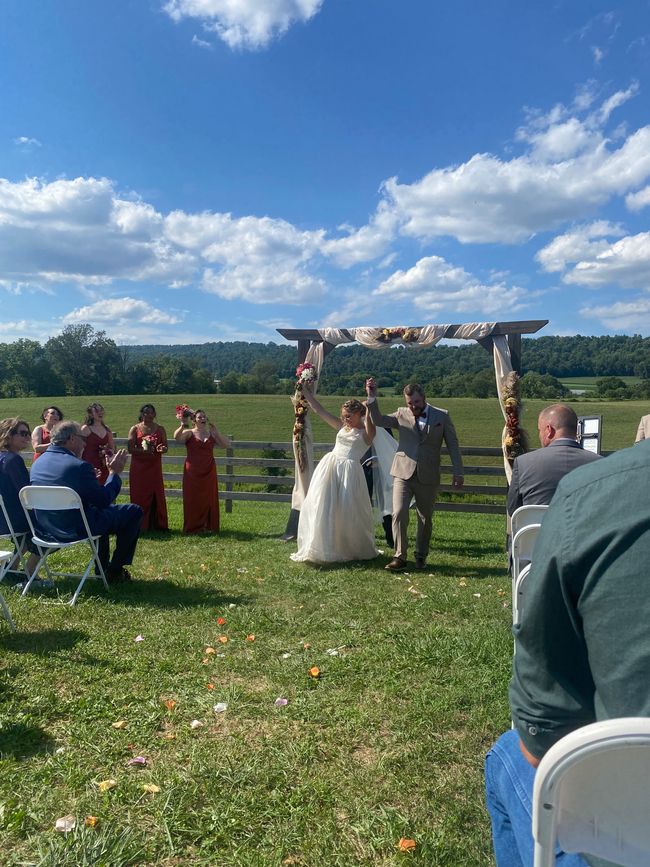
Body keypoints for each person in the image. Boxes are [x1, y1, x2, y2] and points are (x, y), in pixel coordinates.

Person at [485, 438, 650, 866]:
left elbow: (541, 734)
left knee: (507, 754)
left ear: (545, 431)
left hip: (627, 845)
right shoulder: (593, 465)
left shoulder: (591, 491)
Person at [365, 379, 463, 571]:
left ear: (424, 398)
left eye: (416, 402)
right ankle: (399, 556)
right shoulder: (401, 414)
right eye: (410, 403)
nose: (413, 406)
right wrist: (371, 397)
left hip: (428, 474)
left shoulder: (441, 416)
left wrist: (458, 471)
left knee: (425, 518)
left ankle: (421, 556)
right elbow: (379, 420)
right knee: (399, 512)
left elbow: (453, 445)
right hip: (403, 472)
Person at [29, 421, 143, 584]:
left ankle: (102, 569)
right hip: (76, 528)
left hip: (46, 527)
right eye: (83, 439)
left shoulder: (37, 464)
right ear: (72, 439)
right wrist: (114, 474)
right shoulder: (79, 466)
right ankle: (115, 570)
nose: (85, 443)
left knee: (99, 515)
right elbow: (103, 500)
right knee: (133, 511)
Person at [291, 390, 379, 564]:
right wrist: (305, 391)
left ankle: (346, 546)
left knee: (348, 509)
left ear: (359, 415)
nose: (345, 419)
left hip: (349, 471)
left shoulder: (366, 434)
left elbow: (370, 426)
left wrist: (369, 406)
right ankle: (322, 544)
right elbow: (319, 410)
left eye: (349, 416)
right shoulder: (342, 427)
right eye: (343, 416)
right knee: (323, 503)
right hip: (330, 467)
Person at [507, 404, 601, 516]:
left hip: (537, 533)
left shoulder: (523, 463)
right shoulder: (600, 464)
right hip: (582, 532)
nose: (540, 435)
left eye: (539, 430)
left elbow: (513, 510)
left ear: (549, 430)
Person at [173, 408, 230, 534]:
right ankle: (193, 527)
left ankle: (208, 527)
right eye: (200, 417)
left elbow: (226, 445)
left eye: (204, 417)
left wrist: (217, 432)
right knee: (193, 498)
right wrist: (182, 424)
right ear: (194, 420)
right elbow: (176, 437)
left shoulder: (211, 434)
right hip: (192, 471)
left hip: (209, 470)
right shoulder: (189, 433)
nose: (203, 419)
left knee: (209, 498)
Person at [0, 417, 40, 580]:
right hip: (13, 520)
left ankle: (12, 568)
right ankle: (28, 573)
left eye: (28, 433)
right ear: (8, 435)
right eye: (22, 433)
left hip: (3, 518)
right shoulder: (13, 460)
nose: (27, 437)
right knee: (50, 528)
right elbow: (25, 492)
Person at [127, 404, 169, 531]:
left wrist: (162, 448)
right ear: (142, 414)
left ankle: (157, 524)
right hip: (139, 466)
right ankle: (140, 524)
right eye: (146, 413)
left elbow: (165, 446)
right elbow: (130, 448)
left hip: (154, 466)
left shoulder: (160, 429)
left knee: (157, 493)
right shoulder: (134, 429)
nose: (148, 415)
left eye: (151, 412)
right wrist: (144, 451)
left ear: (154, 414)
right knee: (140, 493)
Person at [81, 402, 115, 485]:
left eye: (101, 410)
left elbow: (112, 447)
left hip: (103, 464)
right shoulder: (86, 428)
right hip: (89, 463)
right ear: (91, 415)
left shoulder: (107, 429)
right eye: (97, 411)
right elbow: (79, 447)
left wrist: (107, 452)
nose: (100, 413)